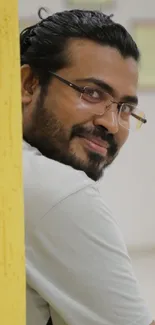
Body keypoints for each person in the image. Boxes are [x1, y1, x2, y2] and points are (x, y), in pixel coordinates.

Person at [21, 8, 154, 325]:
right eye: (92, 92)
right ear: (28, 84)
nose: (111, 123)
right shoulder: (60, 192)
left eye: (125, 109)